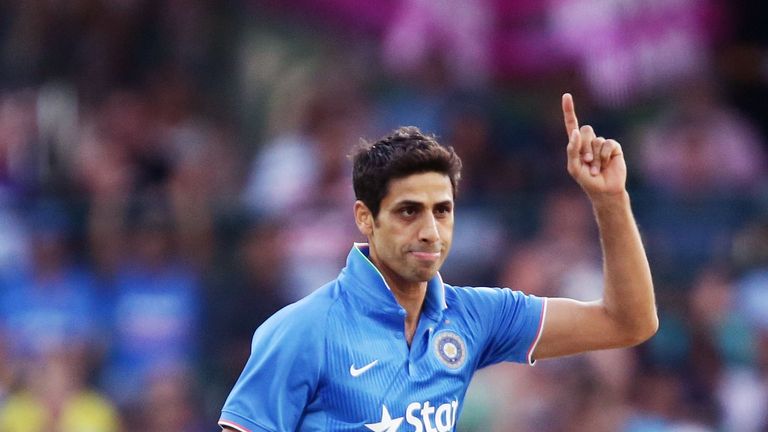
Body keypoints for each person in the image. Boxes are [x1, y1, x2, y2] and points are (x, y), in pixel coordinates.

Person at [216, 93, 658, 431]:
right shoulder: (303, 329)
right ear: (365, 219)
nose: (430, 230)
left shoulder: (476, 316)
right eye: (409, 211)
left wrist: (610, 200)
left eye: (442, 211)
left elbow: (628, 323)